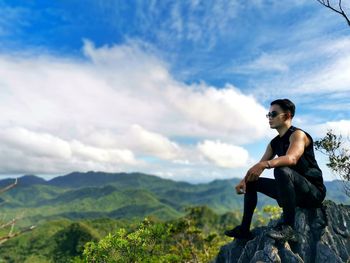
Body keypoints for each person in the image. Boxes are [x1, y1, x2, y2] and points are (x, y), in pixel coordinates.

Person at [224, 99, 326, 241]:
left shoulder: (298, 135)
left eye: (273, 114)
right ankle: (244, 230)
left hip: (312, 192)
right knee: (252, 183)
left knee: (281, 170)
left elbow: (291, 159)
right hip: (293, 192)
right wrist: (244, 181)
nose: (269, 118)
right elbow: (258, 166)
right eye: (268, 114)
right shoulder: (274, 143)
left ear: (287, 115)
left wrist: (265, 165)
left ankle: (289, 228)